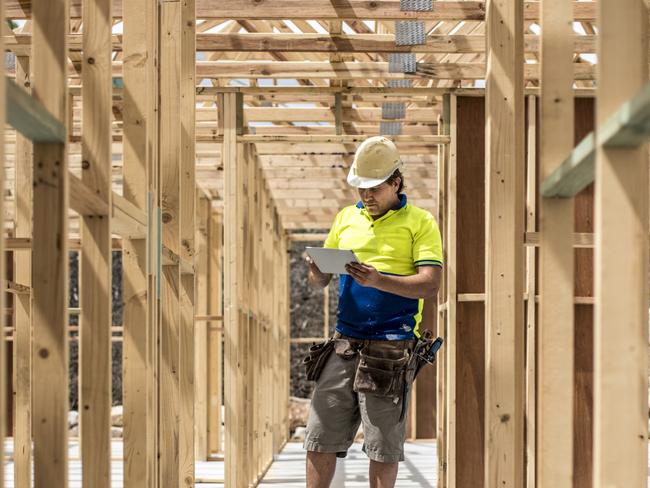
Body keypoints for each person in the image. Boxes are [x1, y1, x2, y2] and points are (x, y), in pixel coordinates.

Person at [303, 136, 443, 488]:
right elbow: (318, 282)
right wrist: (317, 268)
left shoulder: (420, 222)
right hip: (343, 342)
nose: (366, 196)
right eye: (360, 188)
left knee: (382, 446)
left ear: (396, 183)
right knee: (319, 436)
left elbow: (429, 284)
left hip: (392, 347)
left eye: (374, 188)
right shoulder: (346, 218)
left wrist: (380, 281)